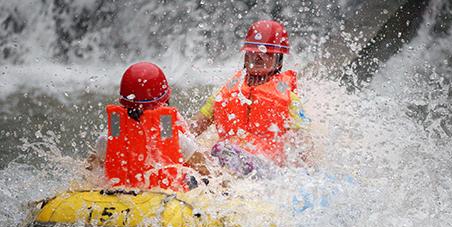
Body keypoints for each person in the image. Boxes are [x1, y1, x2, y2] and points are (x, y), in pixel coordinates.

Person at [190, 20, 311, 177]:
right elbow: (193, 128)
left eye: (267, 53)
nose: (259, 57)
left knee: (222, 151)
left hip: (268, 169)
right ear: (246, 54)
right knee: (210, 155)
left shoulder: (289, 99)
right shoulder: (223, 93)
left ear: (278, 59)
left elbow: (304, 146)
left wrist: (303, 173)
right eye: (253, 51)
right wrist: (169, 136)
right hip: (227, 159)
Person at [87, 61, 208, 190]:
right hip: (164, 199)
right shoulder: (173, 138)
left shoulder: (107, 139)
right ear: (164, 101)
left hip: (120, 198)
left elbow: (90, 168)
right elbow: (204, 168)